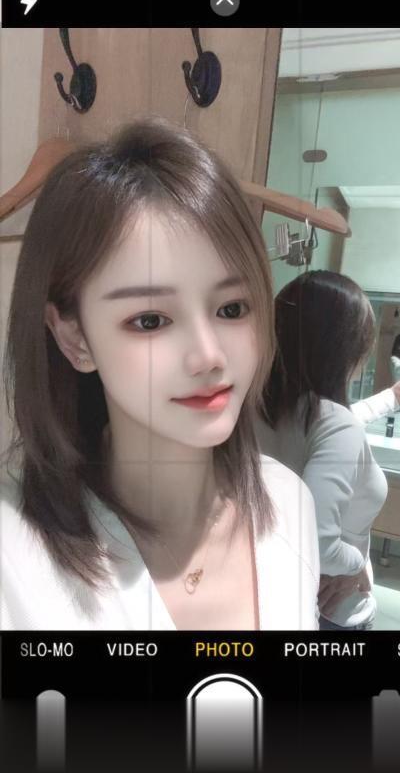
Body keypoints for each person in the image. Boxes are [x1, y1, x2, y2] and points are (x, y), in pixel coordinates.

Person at [0, 118, 319, 631]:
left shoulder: (289, 502)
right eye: (150, 320)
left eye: (232, 308)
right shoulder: (13, 549)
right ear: (74, 337)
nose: (208, 356)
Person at [257, 271, 390, 630]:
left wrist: (392, 398)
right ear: (345, 346)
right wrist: (356, 565)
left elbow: (333, 427)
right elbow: (318, 541)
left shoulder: (254, 410)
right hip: (334, 612)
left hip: (272, 596)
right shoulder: (335, 425)